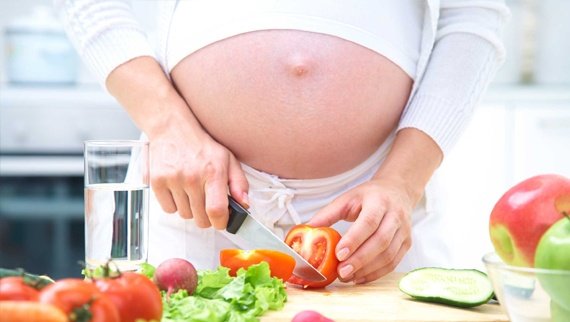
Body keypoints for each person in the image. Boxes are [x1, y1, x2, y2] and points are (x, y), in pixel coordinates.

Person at [56, 0, 509, 284]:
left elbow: (476, 13)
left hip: (369, 215)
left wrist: (402, 184)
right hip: (200, 202)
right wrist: (169, 126)